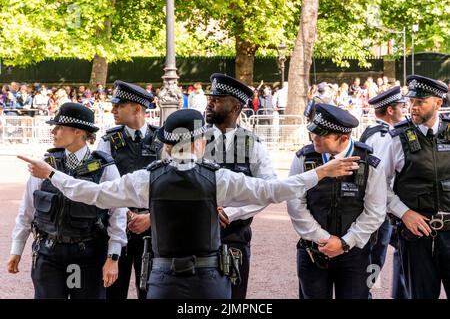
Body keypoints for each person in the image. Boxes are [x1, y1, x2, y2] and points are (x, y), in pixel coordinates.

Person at [18, 108, 361, 299]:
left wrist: (51, 173)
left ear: (167, 145)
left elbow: (88, 194)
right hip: (210, 277)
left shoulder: (146, 180)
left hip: (163, 278)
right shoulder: (218, 180)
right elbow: (274, 190)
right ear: (199, 142)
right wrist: (323, 172)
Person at [7, 102, 127, 299]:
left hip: (88, 256)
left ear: (78, 131)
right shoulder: (44, 164)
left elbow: (118, 216)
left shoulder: (105, 168)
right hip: (48, 254)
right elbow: (27, 211)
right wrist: (16, 249)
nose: (54, 131)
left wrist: (113, 257)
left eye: (60, 127)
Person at [287, 104, 387, 299]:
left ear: (343, 138)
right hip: (313, 251)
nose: (313, 137)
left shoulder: (369, 163)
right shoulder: (303, 159)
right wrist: (323, 238)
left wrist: (345, 243)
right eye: (313, 132)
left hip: (355, 255)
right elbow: (295, 205)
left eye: (321, 135)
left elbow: (375, 211)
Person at [203, 73, 277, 299]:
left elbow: (269, 188)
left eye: (217, 99)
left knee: (235, 298)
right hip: (197, 235)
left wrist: (233, 213)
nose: (209, 103)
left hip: (235, 235)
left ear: (235, 107)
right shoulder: (196, 140)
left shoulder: (252, 144)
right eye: (210, 98)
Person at [384, 74, 450, 299]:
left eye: (420, 102)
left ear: (438, 103)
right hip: (416, 236)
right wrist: (405, 213)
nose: (412, 107)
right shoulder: (397, 139)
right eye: (411, 101)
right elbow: (379, 187)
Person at [97, 80, 162, 299]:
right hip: (117, 226)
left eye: (119, 105)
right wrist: (124, 212)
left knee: (151, 292)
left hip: (154, 229)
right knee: (113, 292)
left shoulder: (162, 140)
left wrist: (150, 217)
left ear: (136, 108)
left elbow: (172, 186)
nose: (113, 110)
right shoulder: (108, 141)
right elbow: (102, 184)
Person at [361, 85, 408, 299]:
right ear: (390, 110)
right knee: (374, 259)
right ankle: (367, 293)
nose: (404, 110)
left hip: (381, 209)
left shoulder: (377, 132)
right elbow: (380, 178)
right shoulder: (382, 137)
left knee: (395, 251)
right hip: (378, 210)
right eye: (401, 106)